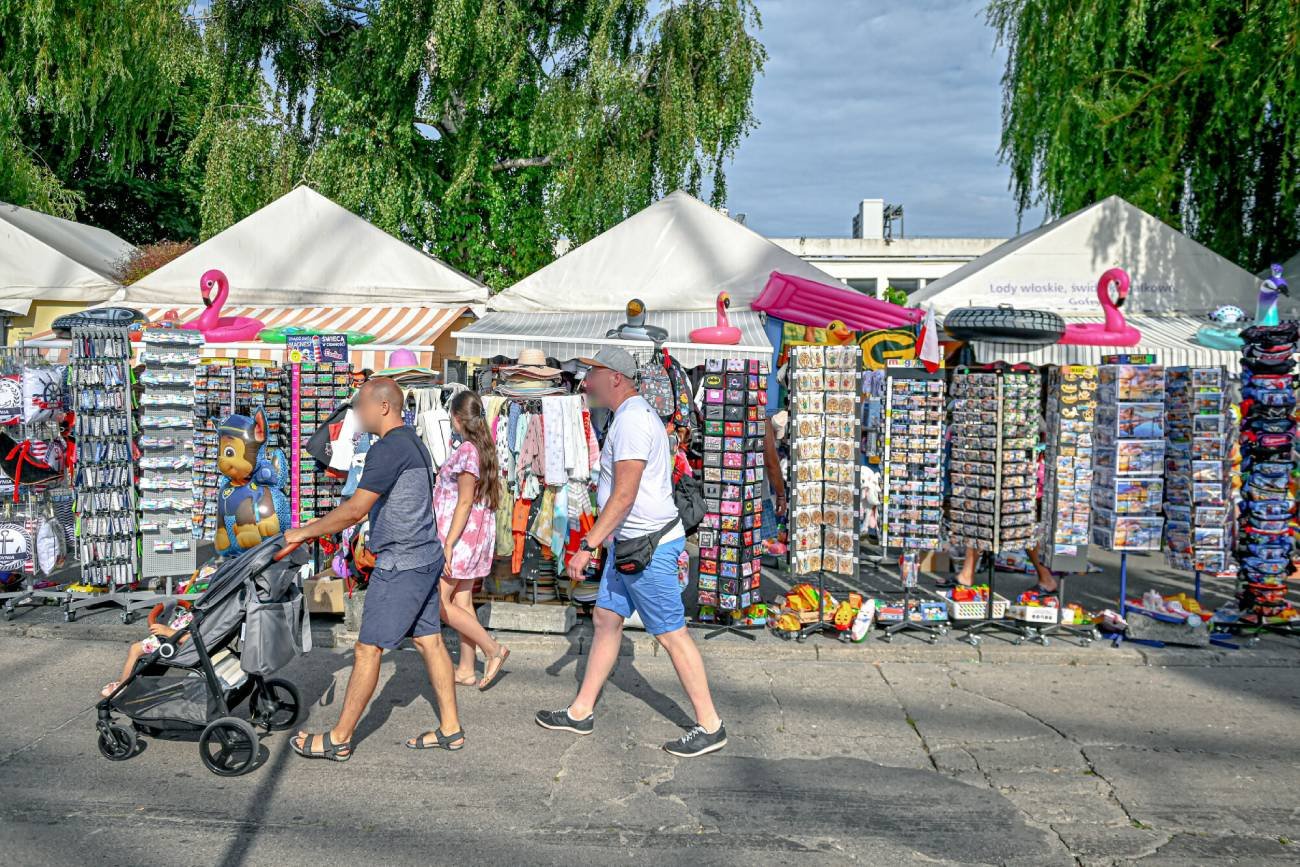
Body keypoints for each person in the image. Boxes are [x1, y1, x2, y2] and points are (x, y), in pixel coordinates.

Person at [535, 346, 727, 758]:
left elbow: (624, 495)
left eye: (593, 373)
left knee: (672, 634)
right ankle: (581, 710)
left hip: (647, 546)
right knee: (606, 619)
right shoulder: (630, 416)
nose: (586, 381)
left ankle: (710, 724)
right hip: (631, 544)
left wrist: (587, 545)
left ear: (615, 377)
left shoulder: (633, 422)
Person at [285, 376, 464, 761]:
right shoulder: (411, 441)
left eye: (361, 406)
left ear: (383, 406)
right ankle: (450, 730)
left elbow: (354, 510)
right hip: (424, 557)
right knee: (428, 640)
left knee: (368, 649)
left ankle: (339, 738)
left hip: (402, 564)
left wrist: (303, 532)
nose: (357, 414)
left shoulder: (389, 449)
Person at [434, 389, 510, 689]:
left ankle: (492, 649)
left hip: (461, 537)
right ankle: (466, 668)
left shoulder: (467, 451)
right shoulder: (481, 447)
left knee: (438, 602)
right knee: (462, 601)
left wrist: (449, 544)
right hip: (473, 534)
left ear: (456, 418)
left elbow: (464, 501)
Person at [100, 601, 192, 698]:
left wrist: (167, 631)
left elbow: (193, 638)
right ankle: (125, 679)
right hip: (173, 637)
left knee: (135, 649)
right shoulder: (207, 612)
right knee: (142, 653)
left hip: (173, 641)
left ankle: (122, 688)